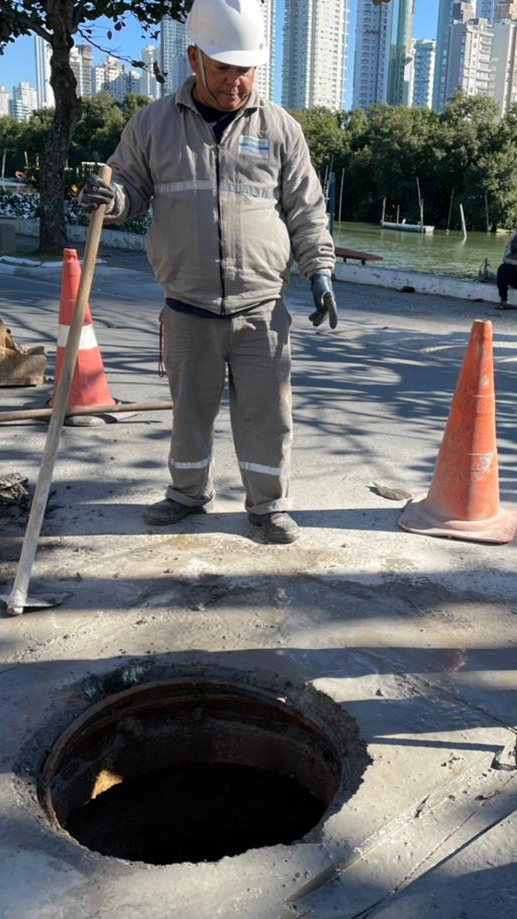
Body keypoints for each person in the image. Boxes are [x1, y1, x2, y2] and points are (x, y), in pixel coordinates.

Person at [79, 0, 337, 544]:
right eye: (223, 69)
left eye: (245, 70)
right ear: (194, 57)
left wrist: (320, 271)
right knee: (189, 414)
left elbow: (306, 209)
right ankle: (187, 495)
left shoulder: (281, 128)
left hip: (261, 309)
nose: (235, 83)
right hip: (187, 307)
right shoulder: (153, 125)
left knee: (268, 417)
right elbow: (126, 189)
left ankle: (268, 506)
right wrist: (110, 197)